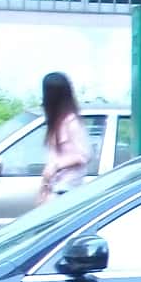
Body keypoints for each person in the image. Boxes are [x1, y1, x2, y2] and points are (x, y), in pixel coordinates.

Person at [36, 72, 89, 203]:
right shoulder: (56, 123)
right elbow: (53, 158)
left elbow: (84, 155)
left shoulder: (72, 123)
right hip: (57, 188)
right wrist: (44, 187)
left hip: (68, 189)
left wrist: (56, 166)